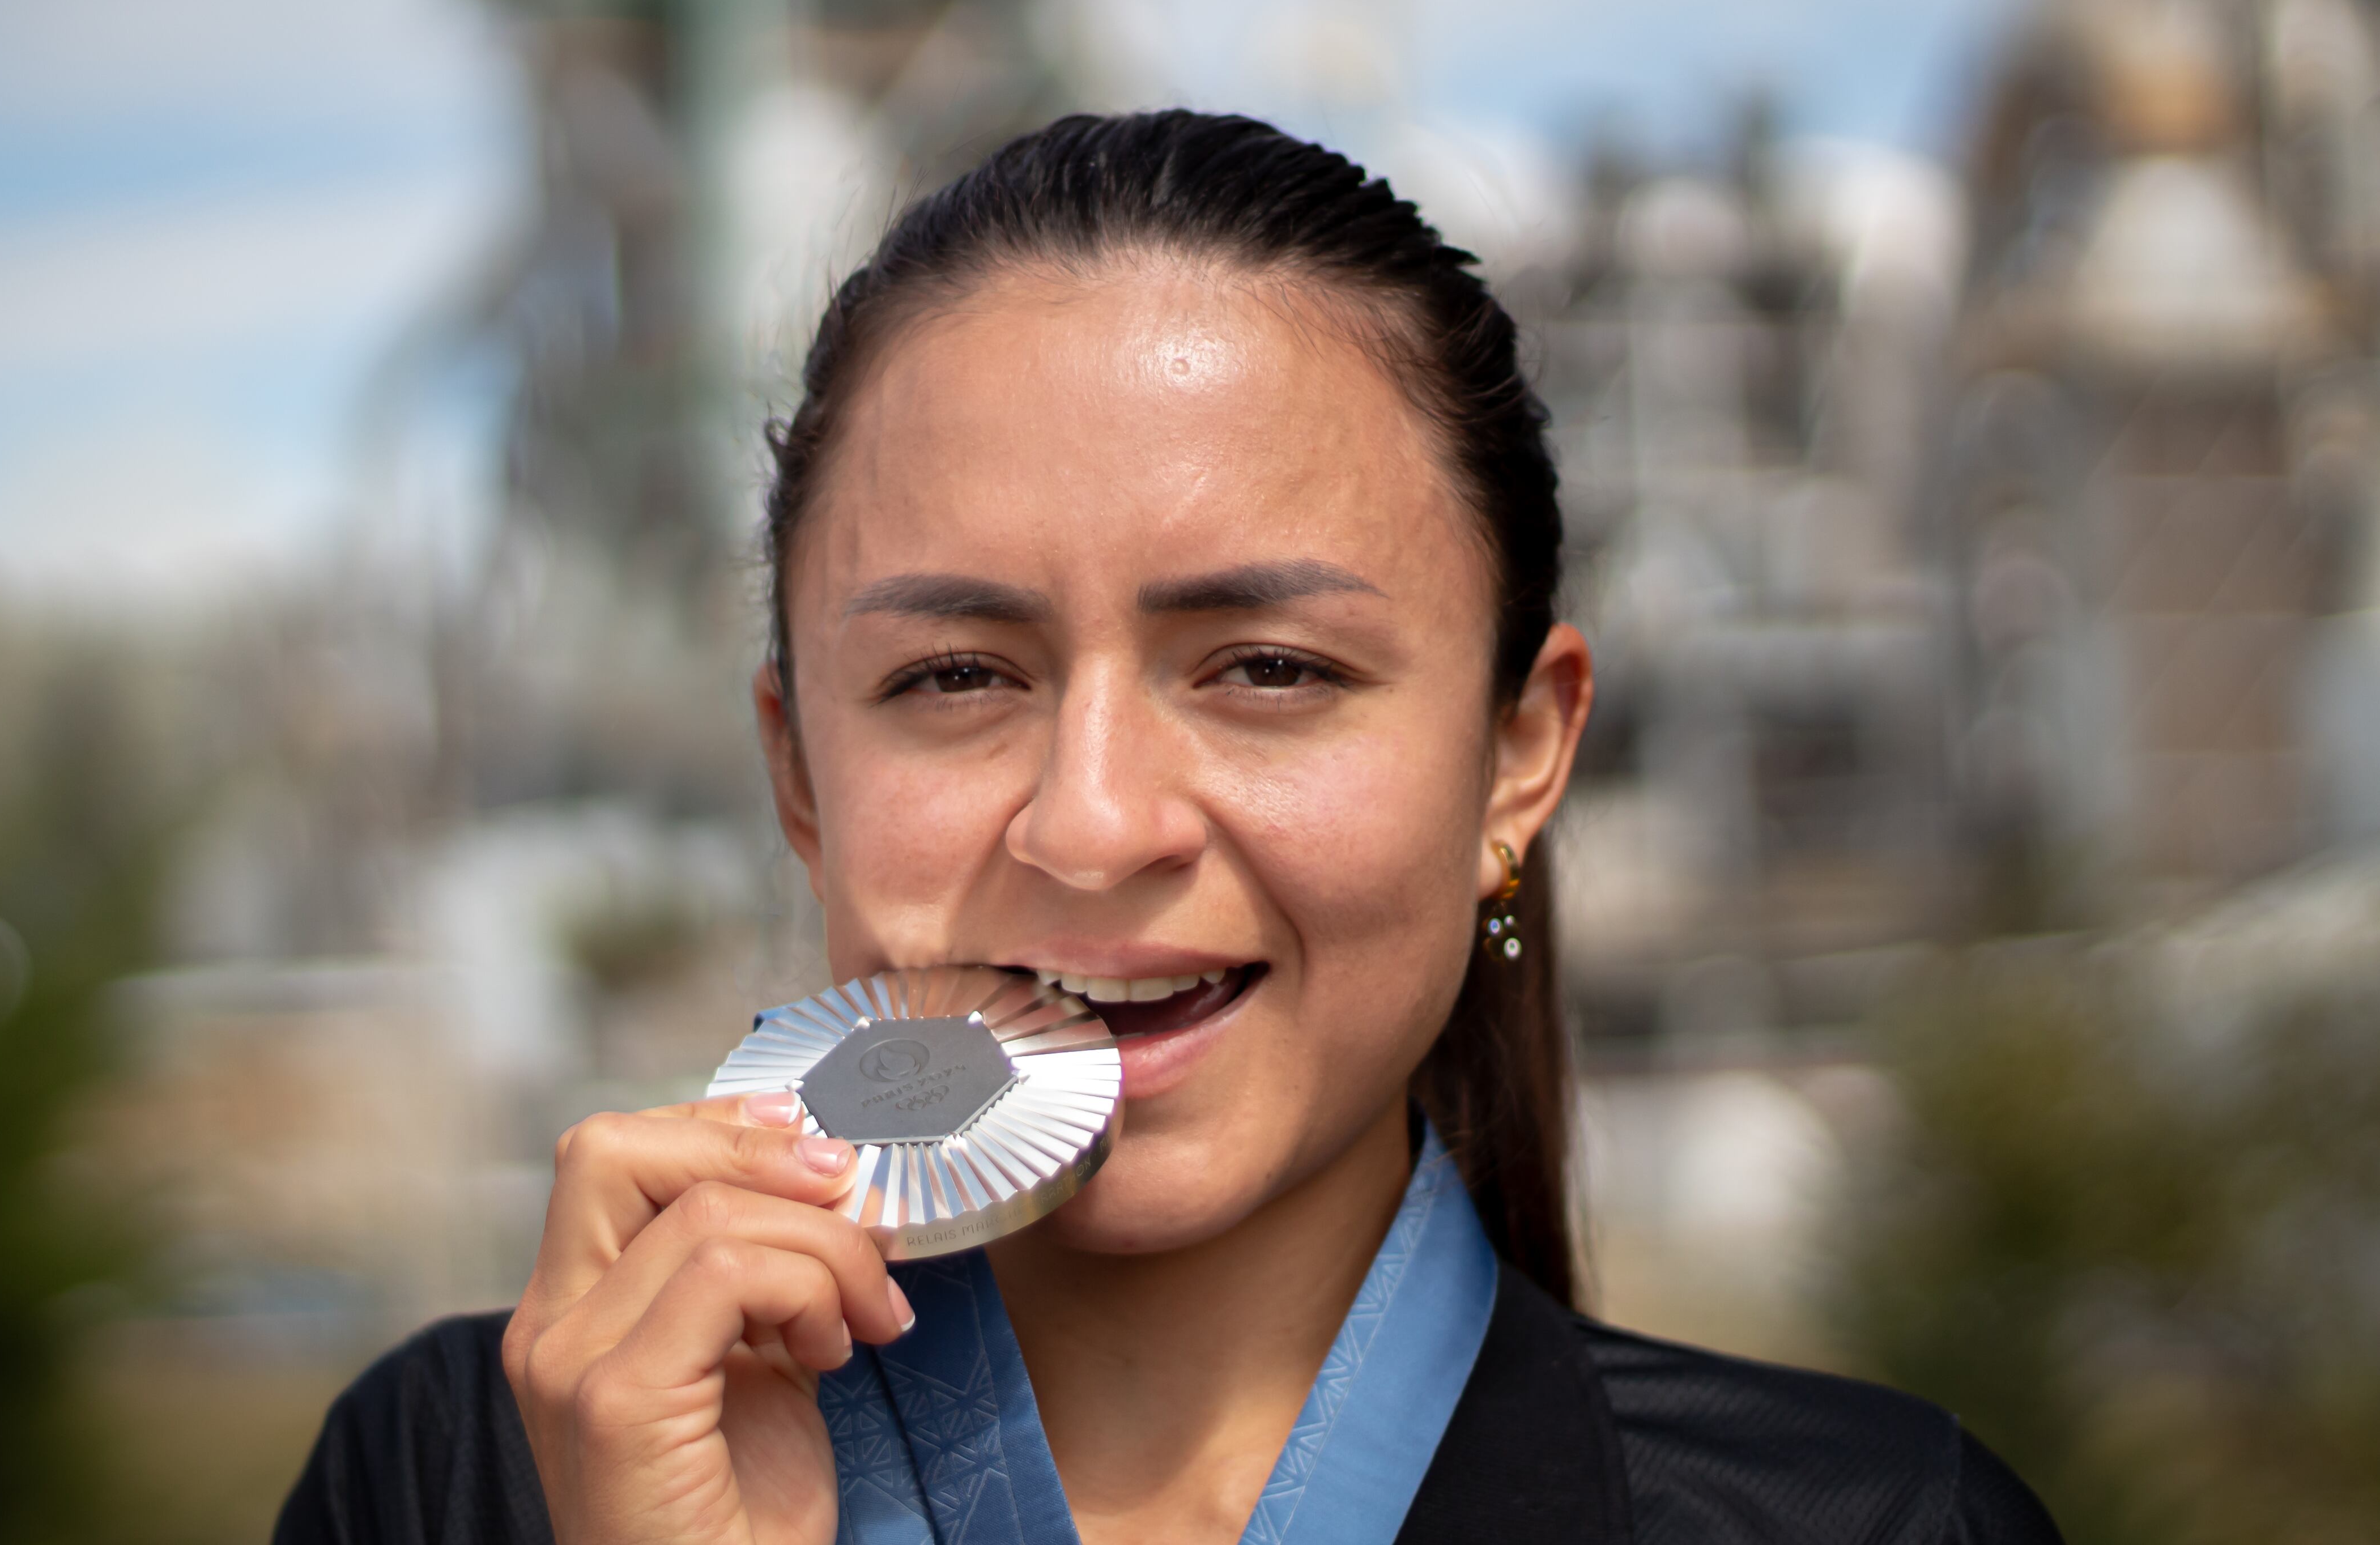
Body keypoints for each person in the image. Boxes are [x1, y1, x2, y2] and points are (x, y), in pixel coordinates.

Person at [275, 110, 2063, 1545]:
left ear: (1519, 757)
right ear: (801, 780)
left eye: (1269, 667)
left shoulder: (1869, 1519)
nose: (1097, 821)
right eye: (959, 676)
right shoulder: (469, 1476)